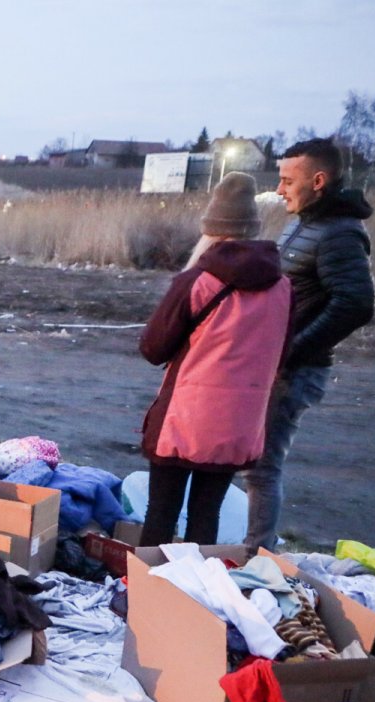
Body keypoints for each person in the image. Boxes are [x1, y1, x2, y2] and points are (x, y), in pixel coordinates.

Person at [137, 173, 292, 547]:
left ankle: (141, 593)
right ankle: (197, 595)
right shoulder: (284, 286)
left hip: (185, 418)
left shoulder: (197, 281)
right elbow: (281, 352)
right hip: (240, 423)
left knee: (162, 512)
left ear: (211, 228)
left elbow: (153, 348)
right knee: (207, 514)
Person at [244, 138, 375, 551]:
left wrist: (292, 350)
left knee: (263, 467)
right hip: (277, 365)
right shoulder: (305, 220)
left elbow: (355, 303)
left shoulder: (339, 232)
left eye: (287, 181)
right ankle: (253, 548)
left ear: (318, 181)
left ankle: (257, 556)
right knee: (253, 462)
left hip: (295, 371)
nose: (280, 189)